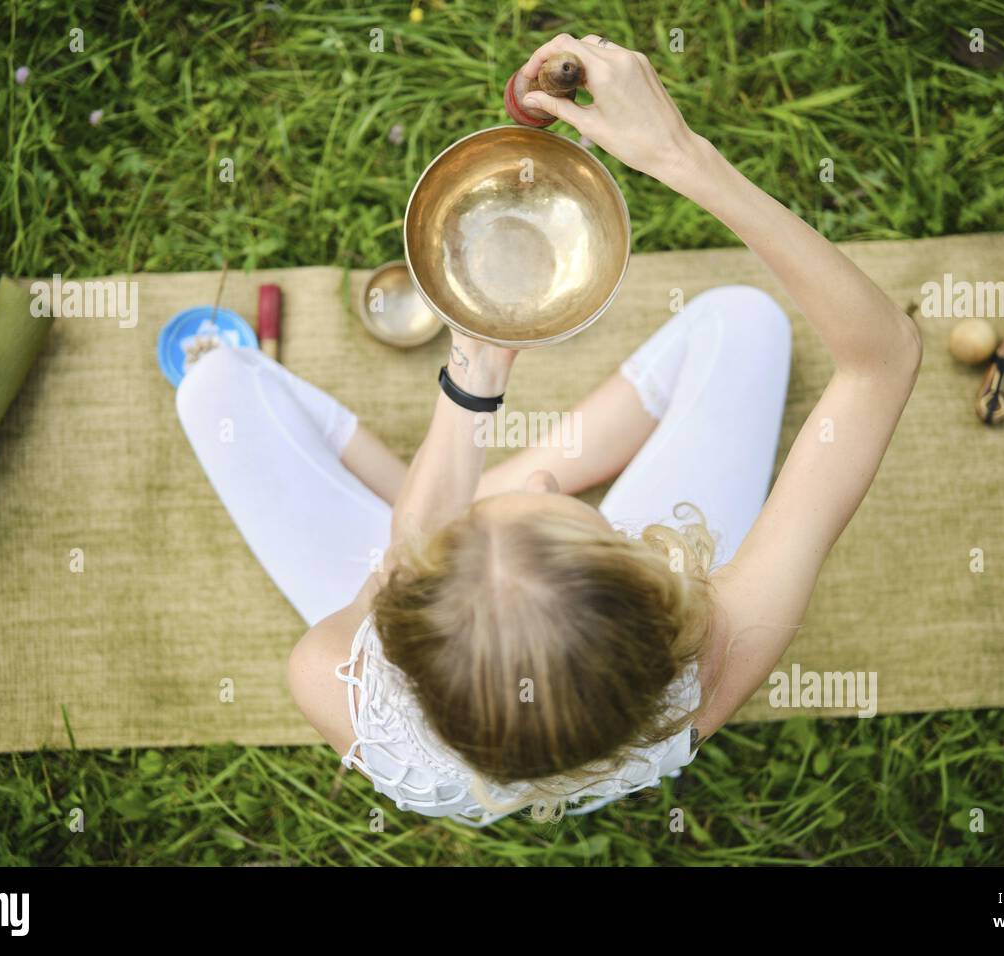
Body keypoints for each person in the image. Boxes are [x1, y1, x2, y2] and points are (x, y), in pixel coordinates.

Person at [177, 34, 922, 826]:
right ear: (652, 598)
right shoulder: (713, 651)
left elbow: (400, 558)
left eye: (497, 512)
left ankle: (438, 483)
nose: (541, 478)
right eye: (573, 512)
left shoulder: (329, 678)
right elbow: (883, 360)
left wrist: (473, 386)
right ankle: (465, 494)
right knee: (745, 324)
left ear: (400, 631)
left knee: (213, 384)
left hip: (401, 561)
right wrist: (680, 156)